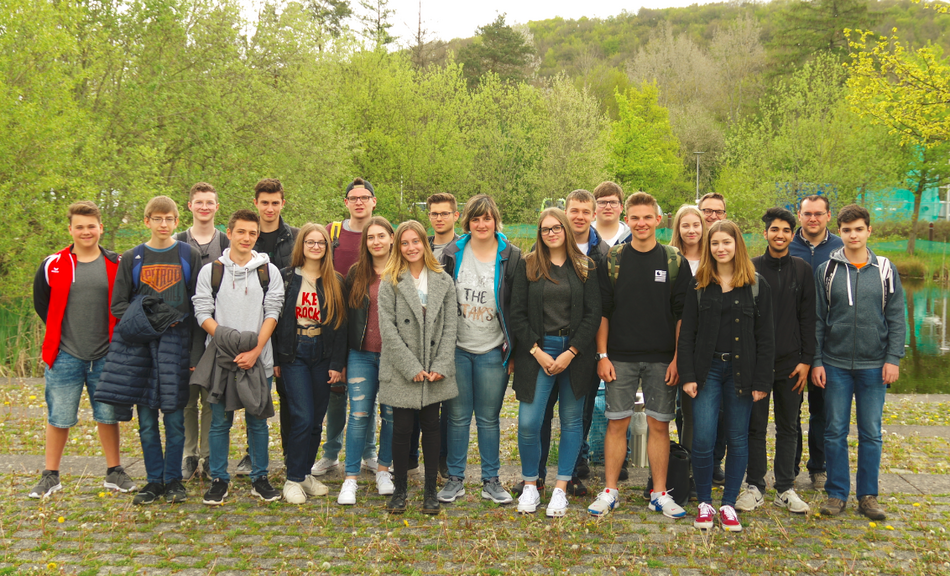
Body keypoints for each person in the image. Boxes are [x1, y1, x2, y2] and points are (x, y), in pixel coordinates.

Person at [589, 192, 692, 519]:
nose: (642, 223)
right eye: (635, 218)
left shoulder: (674, 260)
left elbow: (682, 315)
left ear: (658, 221)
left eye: (648, 217)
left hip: (663, 360)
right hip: (620, 357)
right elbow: (603, 311)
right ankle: (610, 491)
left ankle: (659, 493)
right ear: (627, 220)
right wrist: (602, 355)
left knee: (660, 425)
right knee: (616, 423)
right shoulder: (613, 259)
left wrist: (678, 359)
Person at [97, 196, 202, 505]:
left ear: (176, 221)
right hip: (140, 348)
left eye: (169, 219)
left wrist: (195, 355)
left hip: (177, 346)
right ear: (147, 221)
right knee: (146, 421)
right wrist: (154, 318)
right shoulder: (133, 257)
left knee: (174, 418)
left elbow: (198, 306)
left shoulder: (188, 254)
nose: (163, 224)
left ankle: (173, 481)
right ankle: (153, 481)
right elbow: (118, 305)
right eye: (157, 219)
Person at [29, 201, 136, 499]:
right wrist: (60, 339)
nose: (86, 231)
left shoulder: (117, 263)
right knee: (59, 417)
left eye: (91, 226)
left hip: (107, 354)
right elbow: (43, 305)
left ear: (100, 227)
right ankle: (51, 475)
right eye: (80, 226)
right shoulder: (54, 265)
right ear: (71, 229)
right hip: (65, 355)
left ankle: (114, 472)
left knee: (107, 415)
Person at [677, 219, 774, 532]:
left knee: (738, 438)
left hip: (742, 374)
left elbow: (766, 338)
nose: (721, 248)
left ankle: (729, 504)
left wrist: (762, 382)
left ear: (737, 245)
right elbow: (687, 334)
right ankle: (704, 503)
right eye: (715, 243)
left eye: (726, 243)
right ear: (709, 247)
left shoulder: (757, 285)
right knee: (703, 438)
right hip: (707, 372)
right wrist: (687, 375)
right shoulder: (699, 285)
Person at [514, 189, 608, 499]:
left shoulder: (584, 266)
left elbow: (593, 314)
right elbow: (517, 315)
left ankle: (560, 486)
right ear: (539, 234)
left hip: (574, 354)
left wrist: (571, 352)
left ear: (565, 230)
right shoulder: (527, 266)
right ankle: (531, 484)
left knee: (571, 421)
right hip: (537, 353)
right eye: (546, 229)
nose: (552, 233)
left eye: (557, 228)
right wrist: (537, 352)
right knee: (529, 421)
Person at [813, 204, 904, 520]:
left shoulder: (885, 269)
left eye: (859, 229)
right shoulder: (826, 270)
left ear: (869, 231)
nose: (853, 235)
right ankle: (837, 494)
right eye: (847, 229)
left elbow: (895, 317)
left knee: (871, 433)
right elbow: (817, 320)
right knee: (834, 430)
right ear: (840, 232)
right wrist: (817, 361)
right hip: (835, 364)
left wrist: (892, 358)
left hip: (874, 366)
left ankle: (868, 496)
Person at [192, 209, 285, 505]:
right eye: (241, 232)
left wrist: (256, 350)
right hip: (222, 360)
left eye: (252, 233)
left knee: (258, 421)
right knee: (220, 422)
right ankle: (219, 478)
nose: (246, 238)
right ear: (229, 233)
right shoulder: (212, 271)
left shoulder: (268, 272)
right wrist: (227, 344)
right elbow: (202, 312)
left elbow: (273, 311)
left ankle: (260, 477)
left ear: (257, 237)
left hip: (259, 360)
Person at [438, 194, 522, 505]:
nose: (482, 224)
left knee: (488, 418)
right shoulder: (451, 253)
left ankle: (491, 480)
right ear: (467, 222)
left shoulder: (510, 256)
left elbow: (516, 306)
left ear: (495, 221)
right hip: (457, 347)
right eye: (476, 219)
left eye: (487, 218)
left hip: (492, 349)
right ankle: (455, 479)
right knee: (457, 416)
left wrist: (513, 350)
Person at [737, 208, 815, 515]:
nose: (779, 235)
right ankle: (754, 485)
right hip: (756, 365)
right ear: (765, 233)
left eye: (785, 230)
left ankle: (786, 487)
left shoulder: (802, 269)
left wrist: (807, 360)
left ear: (792, 235)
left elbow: (808, 318)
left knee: (788, 427)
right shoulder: (750, 268)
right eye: (774, 230)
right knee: (753, 427)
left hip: (791, 364)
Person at [378, 221, 459, 514]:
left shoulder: (443, 280)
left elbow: (451, 326)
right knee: (401, 429)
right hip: (404, 369)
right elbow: (387, 329)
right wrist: (410, 366)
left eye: (416, 242)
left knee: (432, 427)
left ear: (425, 245)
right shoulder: (391, 281)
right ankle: (399, 489)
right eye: (404, 243)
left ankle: (429, 492)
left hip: (434, 368)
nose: (411, 247)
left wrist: (440, 364)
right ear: (397, 247)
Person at [273, 223, 347, 504]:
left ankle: (304, 473)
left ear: (327, 248)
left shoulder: (335, 281)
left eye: (321, 243)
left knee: (316, 420)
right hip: (294, 353)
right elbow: (275, 319)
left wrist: (337, 363)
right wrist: (277, 357)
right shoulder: (287, 277)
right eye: (310, 242)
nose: (315, 247)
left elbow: (341, 326)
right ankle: (292, 480)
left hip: (322, 353)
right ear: (301, 245)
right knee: (301, 417)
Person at [314, 177, 380, 477]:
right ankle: (330, 453)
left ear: (373, 201)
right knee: (337, 391)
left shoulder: (380, 231)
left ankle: (369, 454)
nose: (359, 202)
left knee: (365, 396)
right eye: (353, 198)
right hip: (335, 319)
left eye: (364, 197)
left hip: (368, 322)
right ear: (346, 203)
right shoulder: (332, 232)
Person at [337, 217, 398, 505]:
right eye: (371, 237)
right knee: (359, 415)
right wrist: (342, 360)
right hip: (361, 354)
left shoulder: (403, 273)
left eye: (381, 236)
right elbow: (346, 320)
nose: (376, 241)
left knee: (390, 416)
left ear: (391, 238)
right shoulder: (355, 274)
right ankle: (350, 479)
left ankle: (384, 470)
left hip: (393, 357)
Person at [789, 194, 843, 492]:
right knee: (792, 408)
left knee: (822, 410)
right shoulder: (786, 245)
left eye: (818, 214)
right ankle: (791, 467)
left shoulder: (840, 247)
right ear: (799, 215)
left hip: (829, 342)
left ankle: (818, 467)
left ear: (828, 216)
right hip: (794, 341)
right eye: (807, 213)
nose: (813, 219)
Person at [177, 182, 228, 482]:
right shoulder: (177, 242)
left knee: (212, 397)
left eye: (210, 202)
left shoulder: (226, 243)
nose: (204, 207)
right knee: (186, 398)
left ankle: (209, 456)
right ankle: (188, 454)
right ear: (190, 206)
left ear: (217, 207)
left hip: (217, 331)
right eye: (199, 202)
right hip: (184, 331)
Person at [248, 178, 299, 475]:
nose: (269, 208)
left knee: (289, 399)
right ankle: (251, 456)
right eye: (264, 202)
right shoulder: (246, 236)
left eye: (275, 202)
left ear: (282, 203)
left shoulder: (294, 238)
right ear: (256, 203)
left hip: (287, 330)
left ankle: (292, 457)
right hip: (252, 329)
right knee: (253, 396)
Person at [423, 193, 461, 478]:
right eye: (434, 213)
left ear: (455, 216)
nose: (439, 218)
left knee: (448, 403)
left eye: (444, 213)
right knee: (418, 399)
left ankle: (444, 459)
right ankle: (415, 456)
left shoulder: (463, 248)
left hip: (453, 333)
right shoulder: (418, 245)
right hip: (421, 334)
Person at [668, 204, 706, 456]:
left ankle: (694, 464)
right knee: (668, 409)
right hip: (670, 340)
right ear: (677, 229)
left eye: (696, 225)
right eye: (685, 225)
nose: (691, 231)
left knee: (695, 408)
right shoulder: (670, 259)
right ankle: (671, 465)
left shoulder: (712, 258)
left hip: (703, 342)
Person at [591, 181, 630, 247]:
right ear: (594, 207)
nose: (608, 207)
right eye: (602, 202)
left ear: (621, 207)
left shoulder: (631, 236)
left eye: (613, 202)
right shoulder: (584, 235)